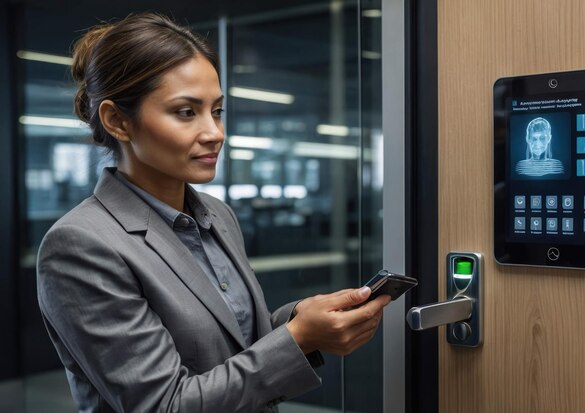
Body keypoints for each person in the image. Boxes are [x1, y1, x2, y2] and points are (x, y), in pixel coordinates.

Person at [36, 12, 390, 413]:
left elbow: (226, 345)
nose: (215, 132)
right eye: (186, 112)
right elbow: (164, 405)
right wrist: (298, 338)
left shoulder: (217, 216)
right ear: (118, 121)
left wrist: (298, 320)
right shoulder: (80, 245)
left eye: (216, 110)